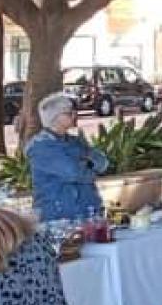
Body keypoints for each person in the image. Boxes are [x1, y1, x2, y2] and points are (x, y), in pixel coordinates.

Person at [24, 94, 110, 223]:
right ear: (55, 117)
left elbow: (103, 163)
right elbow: (73, 172)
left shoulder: (76, 142)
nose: (74, 115)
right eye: (69, 113)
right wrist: (89, 165)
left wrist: (86, 165)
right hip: (58, 219)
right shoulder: (41, 147)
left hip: (88, 214)